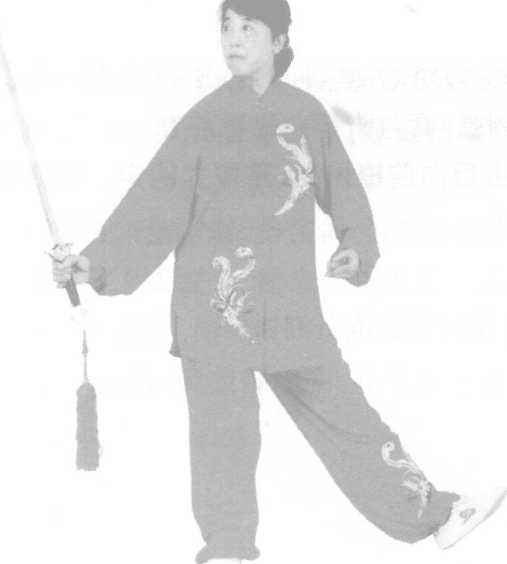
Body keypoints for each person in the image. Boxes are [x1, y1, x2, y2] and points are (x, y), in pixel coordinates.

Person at [52, 0, 507, 562]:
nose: (233, 38)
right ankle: (228, 550)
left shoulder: (306, 115)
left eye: (248, 27)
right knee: (224, 438)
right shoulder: (203, 121)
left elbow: (347, 194)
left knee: (347, 417)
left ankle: (435, 515)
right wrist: (95, 264)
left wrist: (354, 248)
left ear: (279, 40)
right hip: (214, 307)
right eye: (226, 26)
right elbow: (153, 207)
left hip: (290, 307)